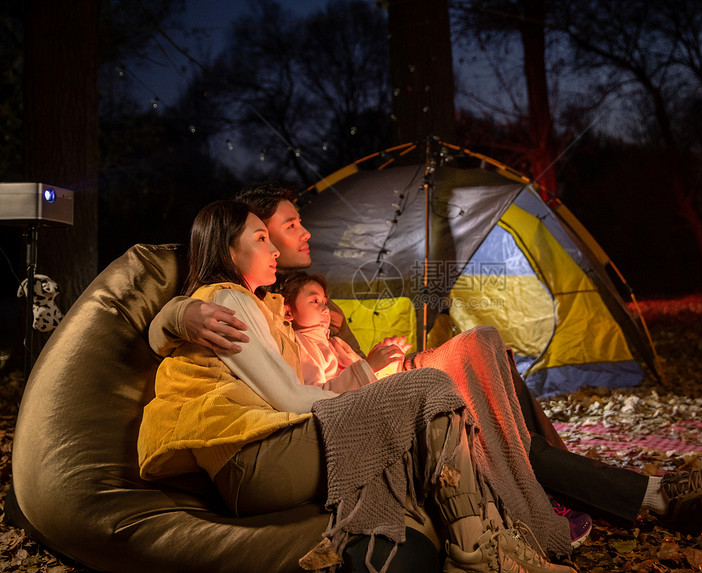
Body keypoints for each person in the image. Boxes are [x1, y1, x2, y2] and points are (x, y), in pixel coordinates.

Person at [149, 184, 702, 538]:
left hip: (368, 387)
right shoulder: (259, 303)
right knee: (478, 414)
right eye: (287, 225)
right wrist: (172, 317)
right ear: (249, 240)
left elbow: (331, 368)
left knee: (483, 347)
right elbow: (279, 374)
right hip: (347, 407)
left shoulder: (291, 296)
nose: (303, 232)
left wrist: (368, 357)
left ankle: (596, 488)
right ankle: (649, 496)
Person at [138, 199, 576, 573]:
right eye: (264, 237)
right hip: (252, 457)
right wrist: (374, 399)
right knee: (428, 388)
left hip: (260, 450)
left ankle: (482, 543)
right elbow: (289, 395)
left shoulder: (264, 305)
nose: (276, 245)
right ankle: (480, 551)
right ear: (227, 250)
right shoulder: (227, 299)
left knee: (437, 384)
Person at [279, 271, 411, 388]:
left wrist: (389, 362)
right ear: (288, 312)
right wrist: (370, 366)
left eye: (325, 302)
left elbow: (368, 380)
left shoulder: (337, 343)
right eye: (315, 301)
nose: (326, 309)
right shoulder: (301, 345)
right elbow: (316, 395)